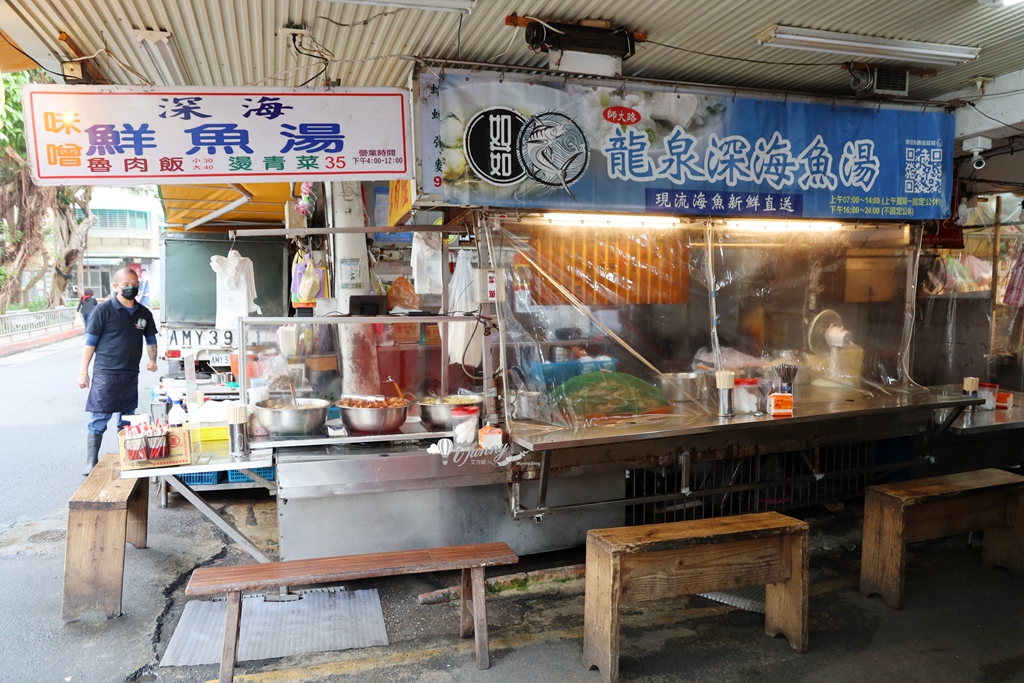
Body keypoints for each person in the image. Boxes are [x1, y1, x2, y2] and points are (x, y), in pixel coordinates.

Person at [78, 267, 158, 475]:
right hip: (106, 372)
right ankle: (91, 461)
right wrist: (83, 371)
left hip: (130, 373)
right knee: (99, 417)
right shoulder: (103, 310)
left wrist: (152, 360)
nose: (131, 288)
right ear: (116, 286)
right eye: (126, 285)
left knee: (127, 418)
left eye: (134, 284)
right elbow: (91, 342)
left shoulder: (144, 313)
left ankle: (128, 456)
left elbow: (150, 338)